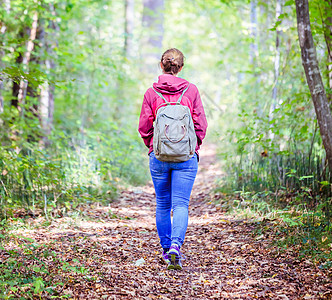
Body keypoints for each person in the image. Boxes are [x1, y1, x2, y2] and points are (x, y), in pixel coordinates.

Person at [138, 48, 208, 270]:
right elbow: (201, 125)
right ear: (181, 67)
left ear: (162, 65)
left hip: (158, 157)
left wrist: (153, 147)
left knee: (162, 204)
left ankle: (166, 251)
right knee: (180, 204)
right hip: (186, 157)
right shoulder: (191, 90)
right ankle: (177, 246)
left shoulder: (151, 93)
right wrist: (193, 147)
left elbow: (144, 127)